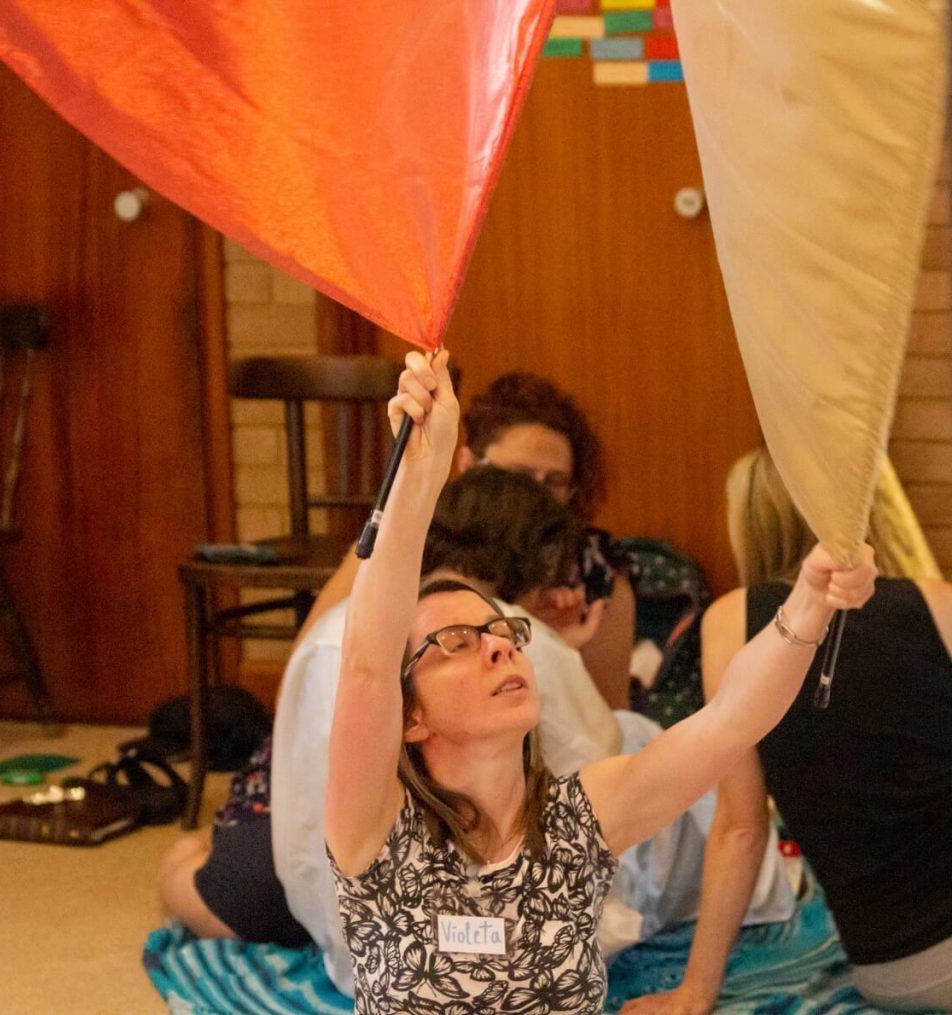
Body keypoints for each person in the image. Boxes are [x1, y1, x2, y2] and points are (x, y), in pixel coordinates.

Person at [324, 352, 875, 1013]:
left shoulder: (578, 820)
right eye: (459, 643)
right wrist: (424, 471)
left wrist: (809, 603)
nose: (500, 646)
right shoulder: (378, 832)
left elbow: (731, 720)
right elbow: (365, 664)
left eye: (504, 633)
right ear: (410, 716)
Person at [156, 462, 603, 954]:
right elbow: (594, 768)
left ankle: (194, 859)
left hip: (317, 890)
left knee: (195, 866)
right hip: (418, 903)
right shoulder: (517, 640)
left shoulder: (337, 627)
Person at [622, 447, 952, 1014]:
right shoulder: (937, 600)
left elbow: (741, 829)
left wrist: (696, 991)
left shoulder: (729, 621)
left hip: (897, 971)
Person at [297, 370, 639, 710]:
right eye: (516, 476)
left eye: (553, 483)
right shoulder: (404, 535)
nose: (533, 496)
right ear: (467, 463)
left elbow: (606, 727)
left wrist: (554, 647)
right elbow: (311, 661)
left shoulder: (597, 573)